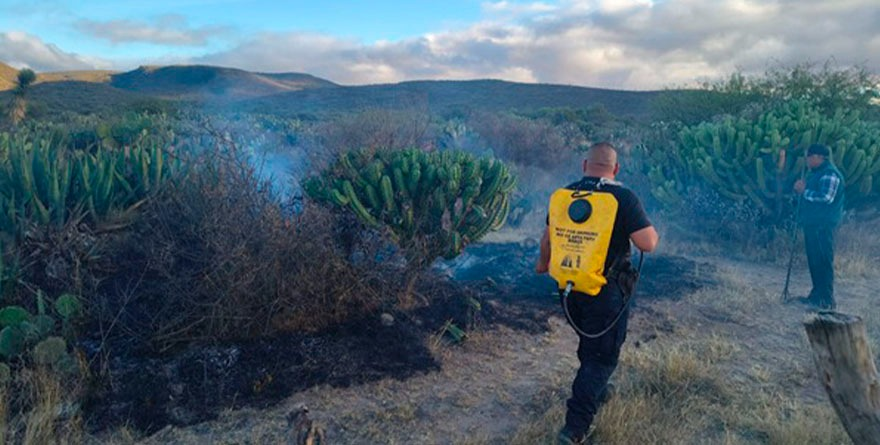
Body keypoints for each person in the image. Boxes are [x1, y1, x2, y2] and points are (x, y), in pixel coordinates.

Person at [536, 142, 659, 444]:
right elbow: (647, 243)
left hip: (570, 289)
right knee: (601, 358)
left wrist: (542, 265)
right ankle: (575, 428)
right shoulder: (623, 198)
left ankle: (598, 391)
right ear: (615, 168)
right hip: (606, 292)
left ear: (584, 165)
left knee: (590, 345)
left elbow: (548, 238)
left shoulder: (566, 193)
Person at [792, 143, 845, 310]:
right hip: (813, 224)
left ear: (817, 157)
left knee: (823, 260)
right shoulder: (816, 173)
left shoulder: (830, 174)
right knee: (814, 260)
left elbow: (826, 198)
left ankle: (827, 300)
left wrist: (804, 191)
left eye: (808, 157)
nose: (807, 160)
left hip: (823, 225)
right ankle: (816, 295)